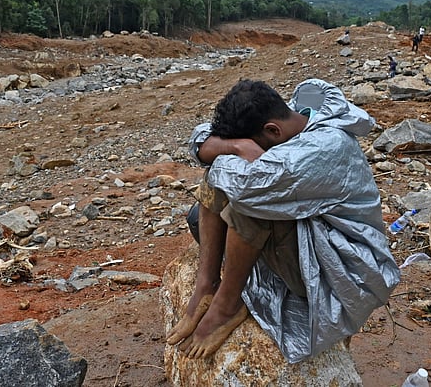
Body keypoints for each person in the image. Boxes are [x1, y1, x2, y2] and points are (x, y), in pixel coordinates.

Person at [170, 79, 399, 363]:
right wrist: (237, 146)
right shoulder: (293, 116)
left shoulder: (324, 146)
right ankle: (206, 286)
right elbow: (200, 140)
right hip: (312, 236)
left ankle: (227, 305)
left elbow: (244, 186)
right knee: (215, 191)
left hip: (340, 271)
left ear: (272, 131)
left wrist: (226, 153)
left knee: (250, 204)